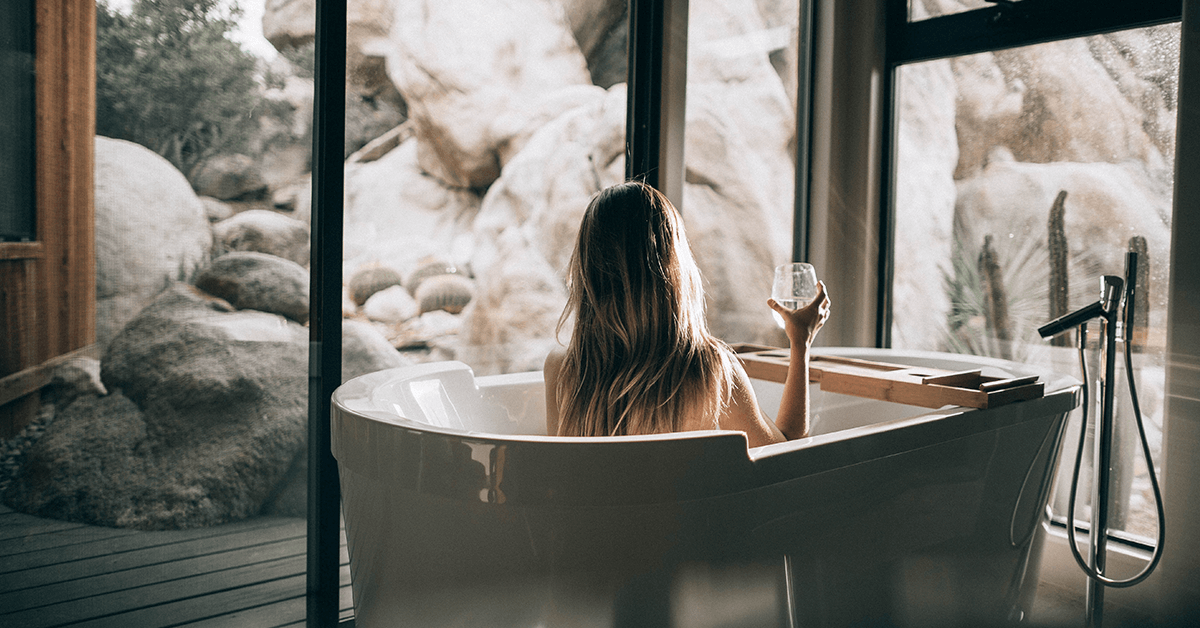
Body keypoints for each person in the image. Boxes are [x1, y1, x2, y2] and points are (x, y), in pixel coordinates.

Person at [543, 181, 831, 447]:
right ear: (674, 268)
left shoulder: (562, 370)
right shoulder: (710, 370)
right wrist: (800, 343)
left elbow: (561, 476)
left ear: (587, 271)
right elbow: (785, 459)